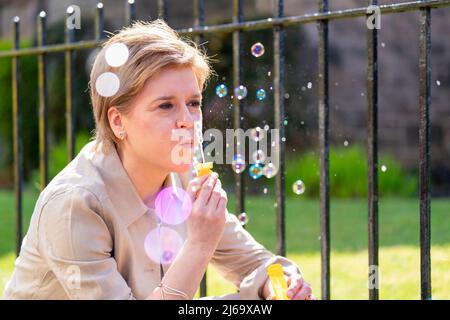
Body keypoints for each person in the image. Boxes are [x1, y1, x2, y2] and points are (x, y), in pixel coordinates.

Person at [3, 20, 313, 300]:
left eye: (193, 103)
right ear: (117, 122)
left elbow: (256, 265)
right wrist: (200, 244)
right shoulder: (75, 205)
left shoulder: (185, 177)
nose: (188, 121)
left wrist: (277, 285)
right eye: (166, 106)